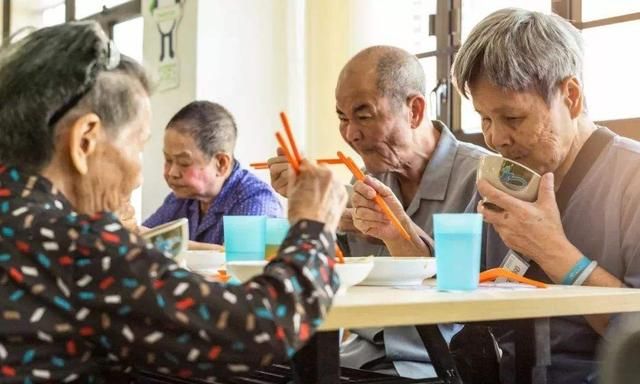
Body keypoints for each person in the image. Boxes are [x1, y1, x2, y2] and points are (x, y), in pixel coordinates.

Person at [0, 21, 347, 382]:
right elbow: (261, 329)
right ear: (85, 140)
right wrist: (314, 225)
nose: (139, 175)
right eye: (138, 145)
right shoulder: (75, 244)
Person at [269, 45, 489, 378]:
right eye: (342, 118)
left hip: (434, 367)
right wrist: (315, 214)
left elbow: (487, 301)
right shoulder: (369, 179)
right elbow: (328, 278)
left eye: (364, 115)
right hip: (355, 359)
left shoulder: (482, 179)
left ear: (414, 110)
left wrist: (397, 234)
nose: (350, 134)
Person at [450, 8, 640, 383]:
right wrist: (401, 236)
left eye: (513, 119)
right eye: (484, 119)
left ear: (570, 95)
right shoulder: (503, 176)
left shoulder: (631, 178)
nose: (496, 139)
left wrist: (554, 253)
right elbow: (457, 291)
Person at [143, 101, 283, 246]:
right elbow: (146, 238)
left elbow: (239, 262)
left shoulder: (256, 201)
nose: (172, 173)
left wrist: (167, 243)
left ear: (221, 163)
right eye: (168, 160)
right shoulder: (181, 198)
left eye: (184, 162)